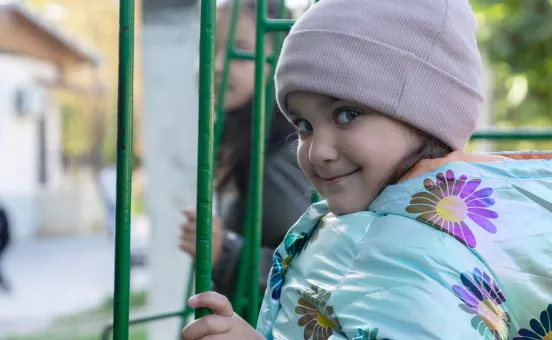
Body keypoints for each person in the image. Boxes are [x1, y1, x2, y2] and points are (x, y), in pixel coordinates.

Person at [181, 0, 552, 339]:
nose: (317, 151)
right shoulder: (394, 227)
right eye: (304, 125)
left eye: (347, 114)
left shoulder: (417, 253)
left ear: (427, 115)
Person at [179, 0, 311, 301]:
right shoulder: (240, 137)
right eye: (210, 48)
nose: (218, 64)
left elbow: (314, 269)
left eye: (239, 50)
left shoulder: (290, 151)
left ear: (279, 57)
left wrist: (223, 252)